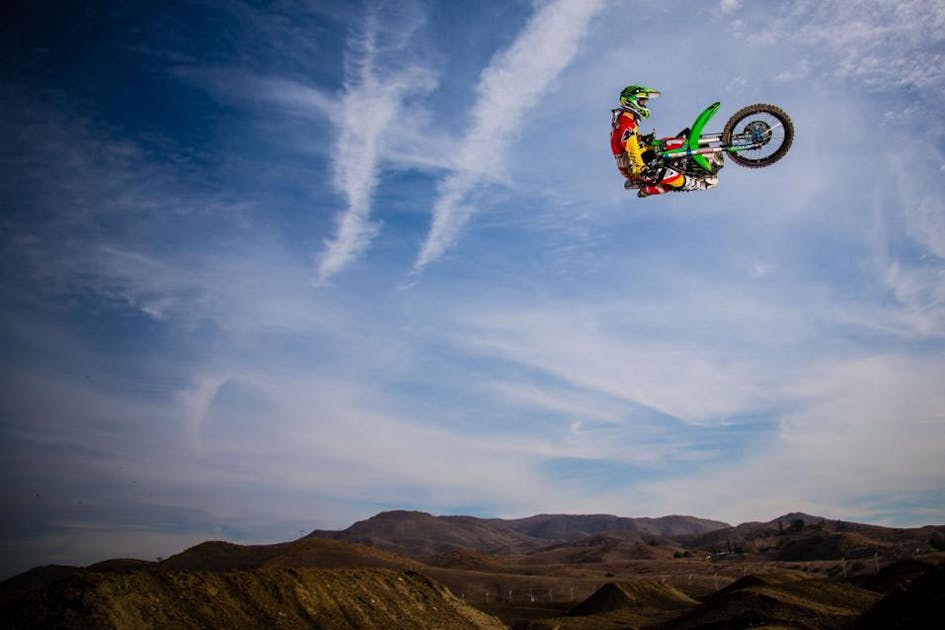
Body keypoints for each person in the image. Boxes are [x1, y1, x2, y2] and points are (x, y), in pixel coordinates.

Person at [611, 85, 718, 198]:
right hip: (632, 166)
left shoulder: (625, 119)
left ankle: (700, 156)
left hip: (640, 156)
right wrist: (640, 168)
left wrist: (642, 139)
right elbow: (630, 145)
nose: (644, 104)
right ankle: (698, 184)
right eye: (642, 101)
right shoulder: (625, 120)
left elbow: (628, 140)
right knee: (663, 175)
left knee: (666, 144)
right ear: (631, 101)